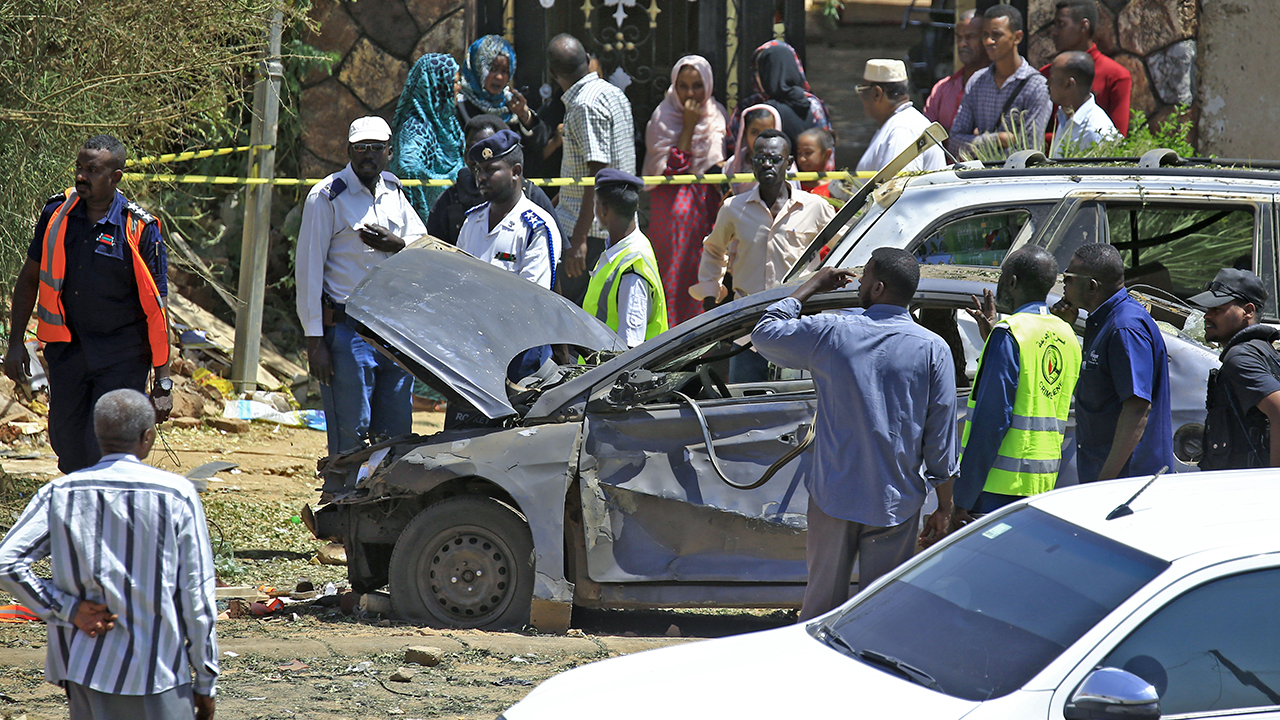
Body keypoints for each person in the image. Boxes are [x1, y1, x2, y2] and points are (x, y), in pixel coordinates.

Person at [752, 253, 957, 620]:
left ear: (877, 288)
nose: (859, 283)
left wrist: (813, 285)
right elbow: (940, 437)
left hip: (835, 497)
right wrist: (944, 505)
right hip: (896, 503)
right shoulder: (933, 348)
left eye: (864, 278)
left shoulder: (832, 332)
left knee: (820, 609)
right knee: (881, 616)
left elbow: (765, 333)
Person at [0, 389, 218, 720]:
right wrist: (205, 679)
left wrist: (68, 609)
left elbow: (6, 563)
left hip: (85, 670)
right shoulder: (177, 495)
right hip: (159, 672)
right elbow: (197, 596)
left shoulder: (61, 493)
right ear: (147, 437)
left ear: (98, 433)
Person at [2, 134, 172, 475]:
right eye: (79, 167)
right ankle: (80, 501)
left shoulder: (140, 228)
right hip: (68, 352)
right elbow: (30, 278)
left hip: (122, 356)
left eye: (92, 170)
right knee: (67, 444)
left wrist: (163, 381)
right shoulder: (56, 214)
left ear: (115, 177)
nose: (81, 176)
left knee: (107, 447)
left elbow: (158, 310)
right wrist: (15, 342)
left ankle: (107, 504)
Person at [296, 116, 425, 456]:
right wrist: (314, 341)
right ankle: (342, 489)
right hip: (348, 332)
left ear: (390, 152)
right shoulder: (327, 197)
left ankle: (384, 492)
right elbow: (308, 271)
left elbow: (421, 243)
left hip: (393, 331)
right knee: (350, 435)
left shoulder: (394, 191)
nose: (368, 155)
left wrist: (397, 244)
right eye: (361, 148)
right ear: (349, 151)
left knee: (395, 433)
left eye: (376, 148)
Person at [692, 129, 836, 383]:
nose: (767, 164)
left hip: (799, 327)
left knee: (796, 398)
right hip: (749, 329)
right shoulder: (733, 208)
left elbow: (843, 245)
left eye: (775, 159)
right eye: (760, 158)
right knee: (745, 399)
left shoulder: (814, 206)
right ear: (751, 162)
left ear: (788, 163)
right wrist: (710, 295)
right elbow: (714, 249)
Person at [952, 247, 1081, 525]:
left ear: (1011, 282)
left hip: (995, 489)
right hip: (1041, 486)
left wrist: (962, 499)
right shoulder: (1067, 335)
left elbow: (991, 421)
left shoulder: (1010, 333)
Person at [1052, 243, 1173, 482]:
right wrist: (1065, 328)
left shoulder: (1124, 328)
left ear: (1091, 286)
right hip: (1107, 473)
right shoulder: (1103, 321)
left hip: (1127, 480)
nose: (1063, 285)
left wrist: (1105, 481)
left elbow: (1137, 409)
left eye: (1068, 278)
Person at [547, 33, 636, 305]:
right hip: (611, 227)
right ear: (587, 59)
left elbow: (597, 174)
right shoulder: (612, 93)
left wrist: (579, 240)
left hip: (590, 233)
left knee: (574, 316)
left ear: (553, 74)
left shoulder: (584, 105)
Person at [642, 55, 729, 327]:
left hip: (706, 209)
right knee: (672, 273)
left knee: (702, 270)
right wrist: (689, 126)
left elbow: (719, 167)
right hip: (670, 212)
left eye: (697, 86)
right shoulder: (662, 117)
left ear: (708, 85)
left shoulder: (716, 116)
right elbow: (673, 170)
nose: (690, 94)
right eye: (683, 86)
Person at [1191, 269, 1280, 469]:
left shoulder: (1240, 358)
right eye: (1208, 309)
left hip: (1246, 484)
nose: (1207, 316)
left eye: (1217, 309)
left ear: (1248, 311)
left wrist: (1275, 480)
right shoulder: (1261, 349)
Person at [427, 114, 556, 246]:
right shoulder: (453, 201)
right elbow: (432, 250)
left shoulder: (532, 195)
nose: (478, 160)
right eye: (471, 149)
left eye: (487, 153)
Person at [455, 129, 561, 290]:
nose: (481, 177)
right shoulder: (472, 221)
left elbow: (532, 295)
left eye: (491, 169)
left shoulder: (536, 229)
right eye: (478, 170)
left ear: (516, 172)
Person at [949, 4, 1052, 158]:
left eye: (996, 35)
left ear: (1017, 37)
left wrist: (978, 144)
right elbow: (955, 142)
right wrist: (997, 139)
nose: (988, 41)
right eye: (985, 35)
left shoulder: (1037, 86)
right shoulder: (977, 81)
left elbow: (1030, 149)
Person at [584, 169, 668, 346]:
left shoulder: (632, 271)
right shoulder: (624, 249)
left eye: (595, 204)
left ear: (604, 209)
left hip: (613, 364)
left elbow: (630, 347)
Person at [455, 35, 556, 183]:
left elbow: (539, 145)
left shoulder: (511, 104)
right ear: (478, 67)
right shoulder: (460, 104)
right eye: (493, 69)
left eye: (505, 71)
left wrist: (523, 115)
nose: (499, 77)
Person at [727, 40, 833, 160]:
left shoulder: (750, 108)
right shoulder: (813, 105)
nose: (756, 75)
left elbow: (734, 148)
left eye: (761, 69)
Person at [391, 52, 465, 223]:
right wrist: (436, 185)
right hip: (427, 223)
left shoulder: (446, 122)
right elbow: (407, 167)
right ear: (438, 85)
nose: (459, 87)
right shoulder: (416, 127)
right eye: (454, 82)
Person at [1039, 0, 1132, 136]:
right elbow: (1034, 133)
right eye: (1055, 25)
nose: (1054, 32)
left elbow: (1116, 137)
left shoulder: (1115, 75)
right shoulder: (1045, 74)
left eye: (1062, 24)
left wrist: (1071, 139)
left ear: (1084, 26)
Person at [855, 59, 946, 173]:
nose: (860, 96)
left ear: (877, 93)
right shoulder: (898, 124)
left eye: (862, 90)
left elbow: (898, 182)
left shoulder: (902, 129)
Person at [923, 9, 989, 133]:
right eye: (959, 37)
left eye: (970, 37)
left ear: (986, 39)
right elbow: (926, 134)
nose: (962, 44)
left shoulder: (998, 88)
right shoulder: (943, 88)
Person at [1047, 51, 1118, 157]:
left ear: (1069, 84)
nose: (1047, 83)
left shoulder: (1095, 131)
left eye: (1052, 79)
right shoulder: (1065, 118)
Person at [724, 103, 785, 196]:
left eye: (767, 132)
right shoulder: (731, 167)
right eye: (754, 132)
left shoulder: (784, 165)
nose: (761, 138)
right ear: (745, 133)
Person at [796, 127, 836, 198]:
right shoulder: (793, 186)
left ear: (827, 154)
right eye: (799, 153)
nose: (802, 159)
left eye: (808, 153)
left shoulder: (836, 189)